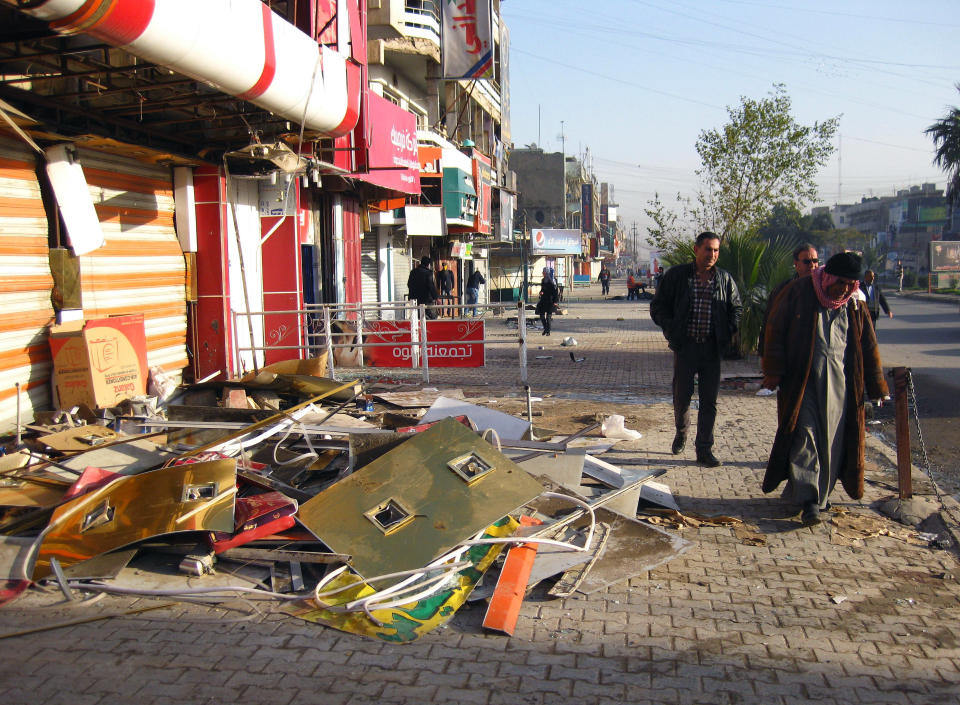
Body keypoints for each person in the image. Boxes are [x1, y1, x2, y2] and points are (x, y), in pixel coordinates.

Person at [760, 251, 889, 526]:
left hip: (840, 385)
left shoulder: (854, 305)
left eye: (848, 284)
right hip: (802, 381)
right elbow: (774, 329)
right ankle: (808, 500)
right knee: (804, 435)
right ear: (828, 275)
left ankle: (821, 495)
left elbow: (869, 346)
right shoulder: (799, 291)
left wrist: (877, 386)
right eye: (839, 282)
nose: (842, 288)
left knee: (832, 440)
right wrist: (772, 371)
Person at [650, 232, 742, 467]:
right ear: (696, 249)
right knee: (682, 397)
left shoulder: (724, 280)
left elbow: (737, 309)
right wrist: (671, 327)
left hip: (712, 350)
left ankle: (704, 449)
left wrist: (728, 330)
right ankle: (681, 432)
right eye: (708, 249)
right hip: (686, 347)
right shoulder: (678, 277)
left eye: (716, 250)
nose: (712, 255)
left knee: (709, 402)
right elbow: (658, 306)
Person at [758, 243, 819, 358]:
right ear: (796, 264)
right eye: (807, 261)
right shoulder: (784, 290)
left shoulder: (824, 291)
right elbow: (769, 323)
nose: (812, 265)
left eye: (815, 261)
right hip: (790, 353)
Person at [535, 267, 559, 336]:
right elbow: (542, 289)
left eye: (543, 272)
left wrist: (555, 301)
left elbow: (555, 292)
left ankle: (548, 331)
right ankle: (545, 328)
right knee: (541, 315)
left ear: (546, 273)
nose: (543, 273)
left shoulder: (552, 281)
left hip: (550, 301)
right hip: (543, 300)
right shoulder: (543, 280)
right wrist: (541, 292)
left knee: (548, 316)